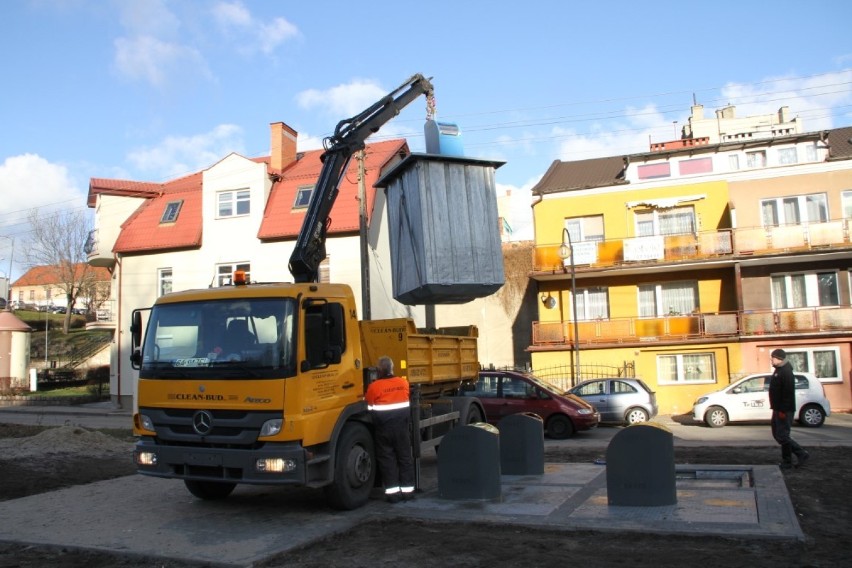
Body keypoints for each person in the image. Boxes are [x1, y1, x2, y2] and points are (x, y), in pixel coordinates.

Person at [365, 356, 416, 503]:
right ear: (392, 368)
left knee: (388, 461)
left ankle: (393, 495)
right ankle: (408, 492)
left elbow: (368, 406)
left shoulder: (374, 387)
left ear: (379, 371)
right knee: (405, 458)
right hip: (402, 428)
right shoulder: (403, 383)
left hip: (383, 429)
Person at [769, 348, 810, 469]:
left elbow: (787, 393)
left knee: (782, 435)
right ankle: (795, 456)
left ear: (779, 358)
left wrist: (782, 410)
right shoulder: (779, 370)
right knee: (777, 434)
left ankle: (794, 458)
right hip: (777, 409)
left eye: (772, 358)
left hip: (784, 410)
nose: (771, 360)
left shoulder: (786, 372)